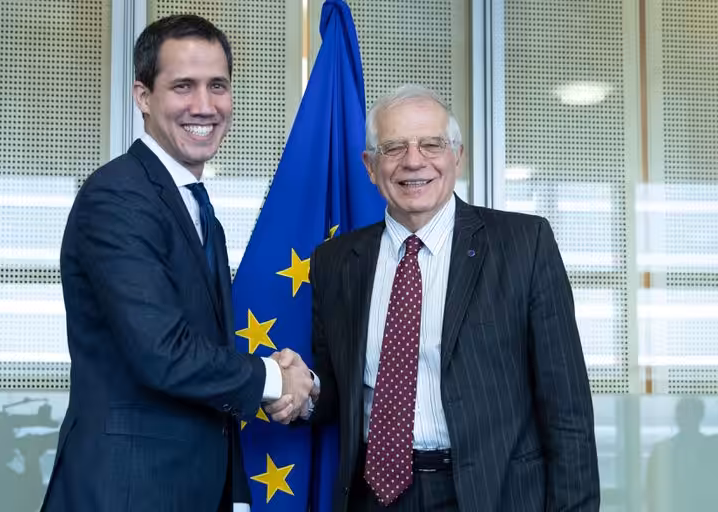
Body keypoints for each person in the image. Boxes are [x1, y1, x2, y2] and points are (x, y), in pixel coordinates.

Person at [273, 84, 600, 511]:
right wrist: (308, 391)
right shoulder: (336, 262)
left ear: (456, 156)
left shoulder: (524, 244)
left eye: (431, 144)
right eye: (394, 148)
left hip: (491, 495)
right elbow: (342, 390)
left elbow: (567, 410)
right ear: (370, 166)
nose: (414, 161)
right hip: (373, 497)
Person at [40, 14, 312, 512]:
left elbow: (206, 353)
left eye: (217, 86)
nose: (204, 106)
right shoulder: (118, 197)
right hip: (127, 492)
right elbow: (162, 351)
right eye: (183, 86)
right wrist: (274, 379)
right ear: (143, 97)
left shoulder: (196, 207)